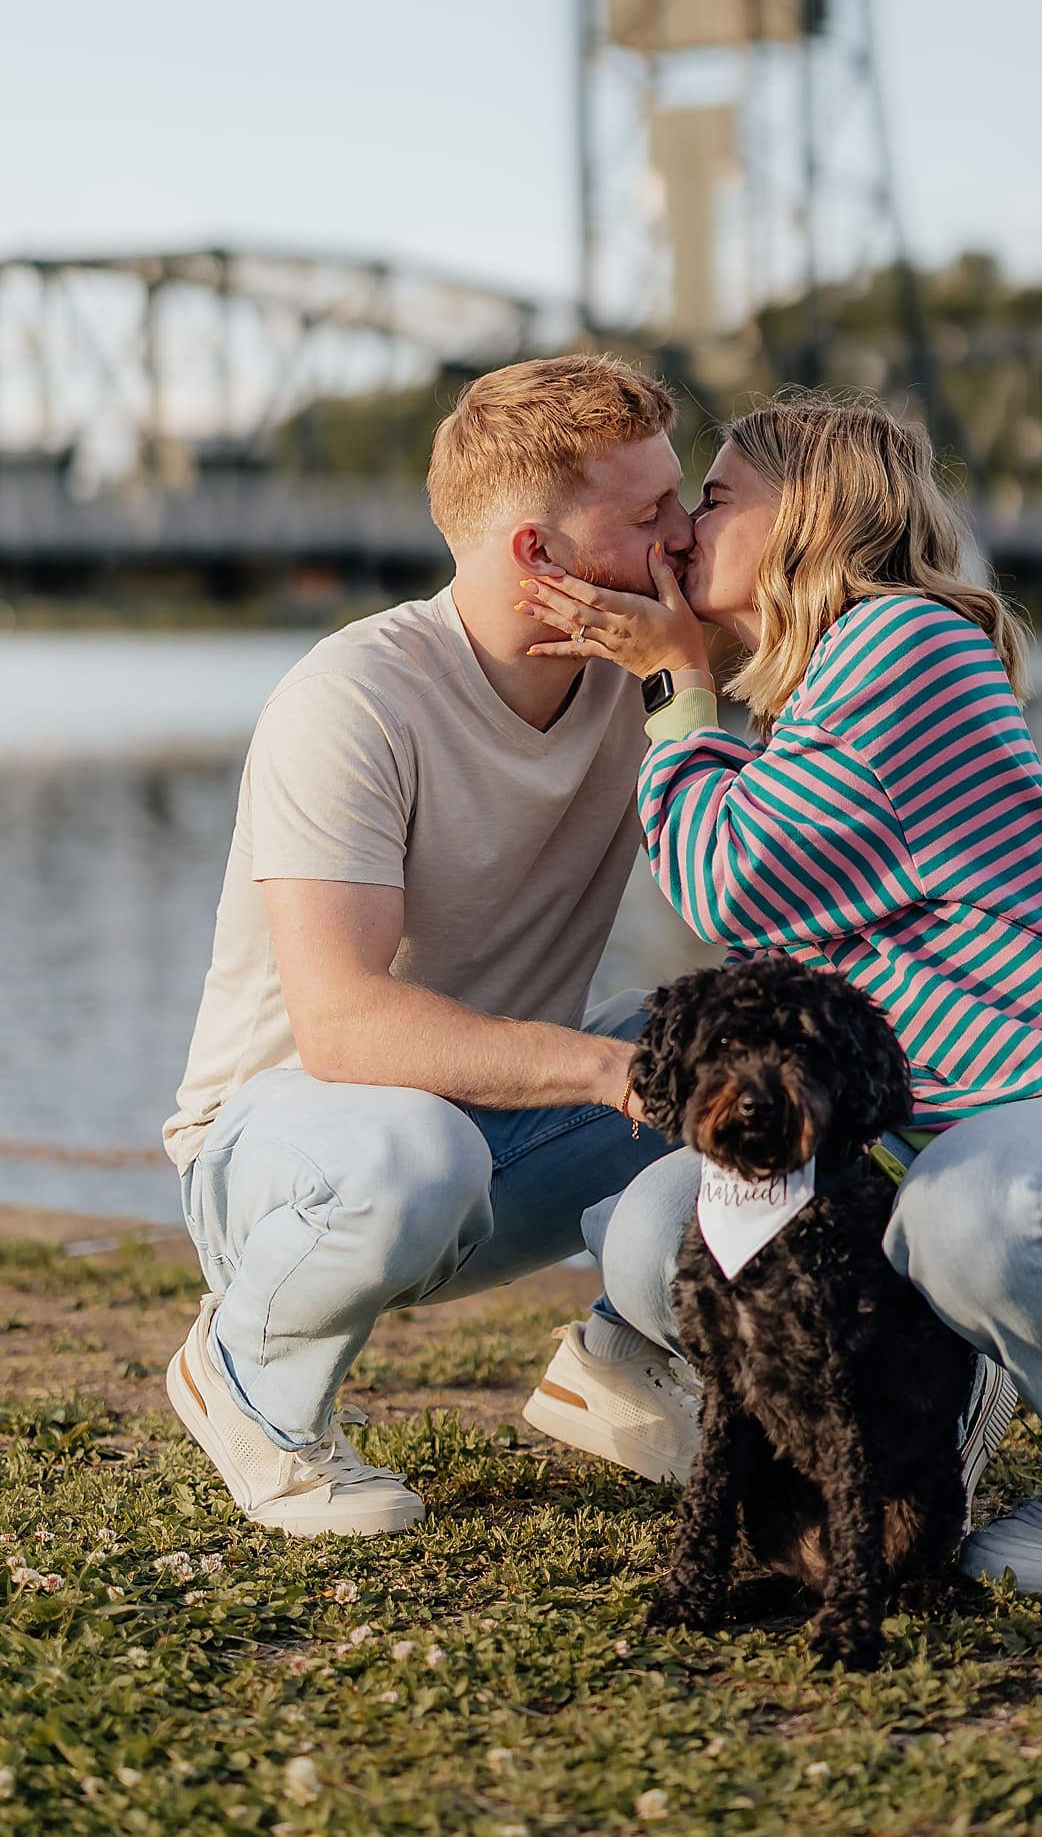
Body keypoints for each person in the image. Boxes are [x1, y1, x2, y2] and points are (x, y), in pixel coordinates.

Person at [517, 392, 1042, 1595]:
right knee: (658, 1239)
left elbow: (730, 876)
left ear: (806, 516)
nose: (686, 532)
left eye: (715, 499)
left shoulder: (904, 645)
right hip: (920, 1156)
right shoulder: (813, 700)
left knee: (972, 1216)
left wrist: (674, 685)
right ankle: (942, 1401)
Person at [162, 354, 717, 1535]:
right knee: (420, 1150)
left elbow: (782, 876)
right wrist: (611, 1073)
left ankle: (622, 1364)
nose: (689, 532)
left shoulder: (657, 670)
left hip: (494, 1134)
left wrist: (685, 679)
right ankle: (246, 1381)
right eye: (652, 512)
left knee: (753, 1045)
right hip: (290, 1159)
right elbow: (345, 1024)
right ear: (538, 556)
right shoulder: (354, 697)